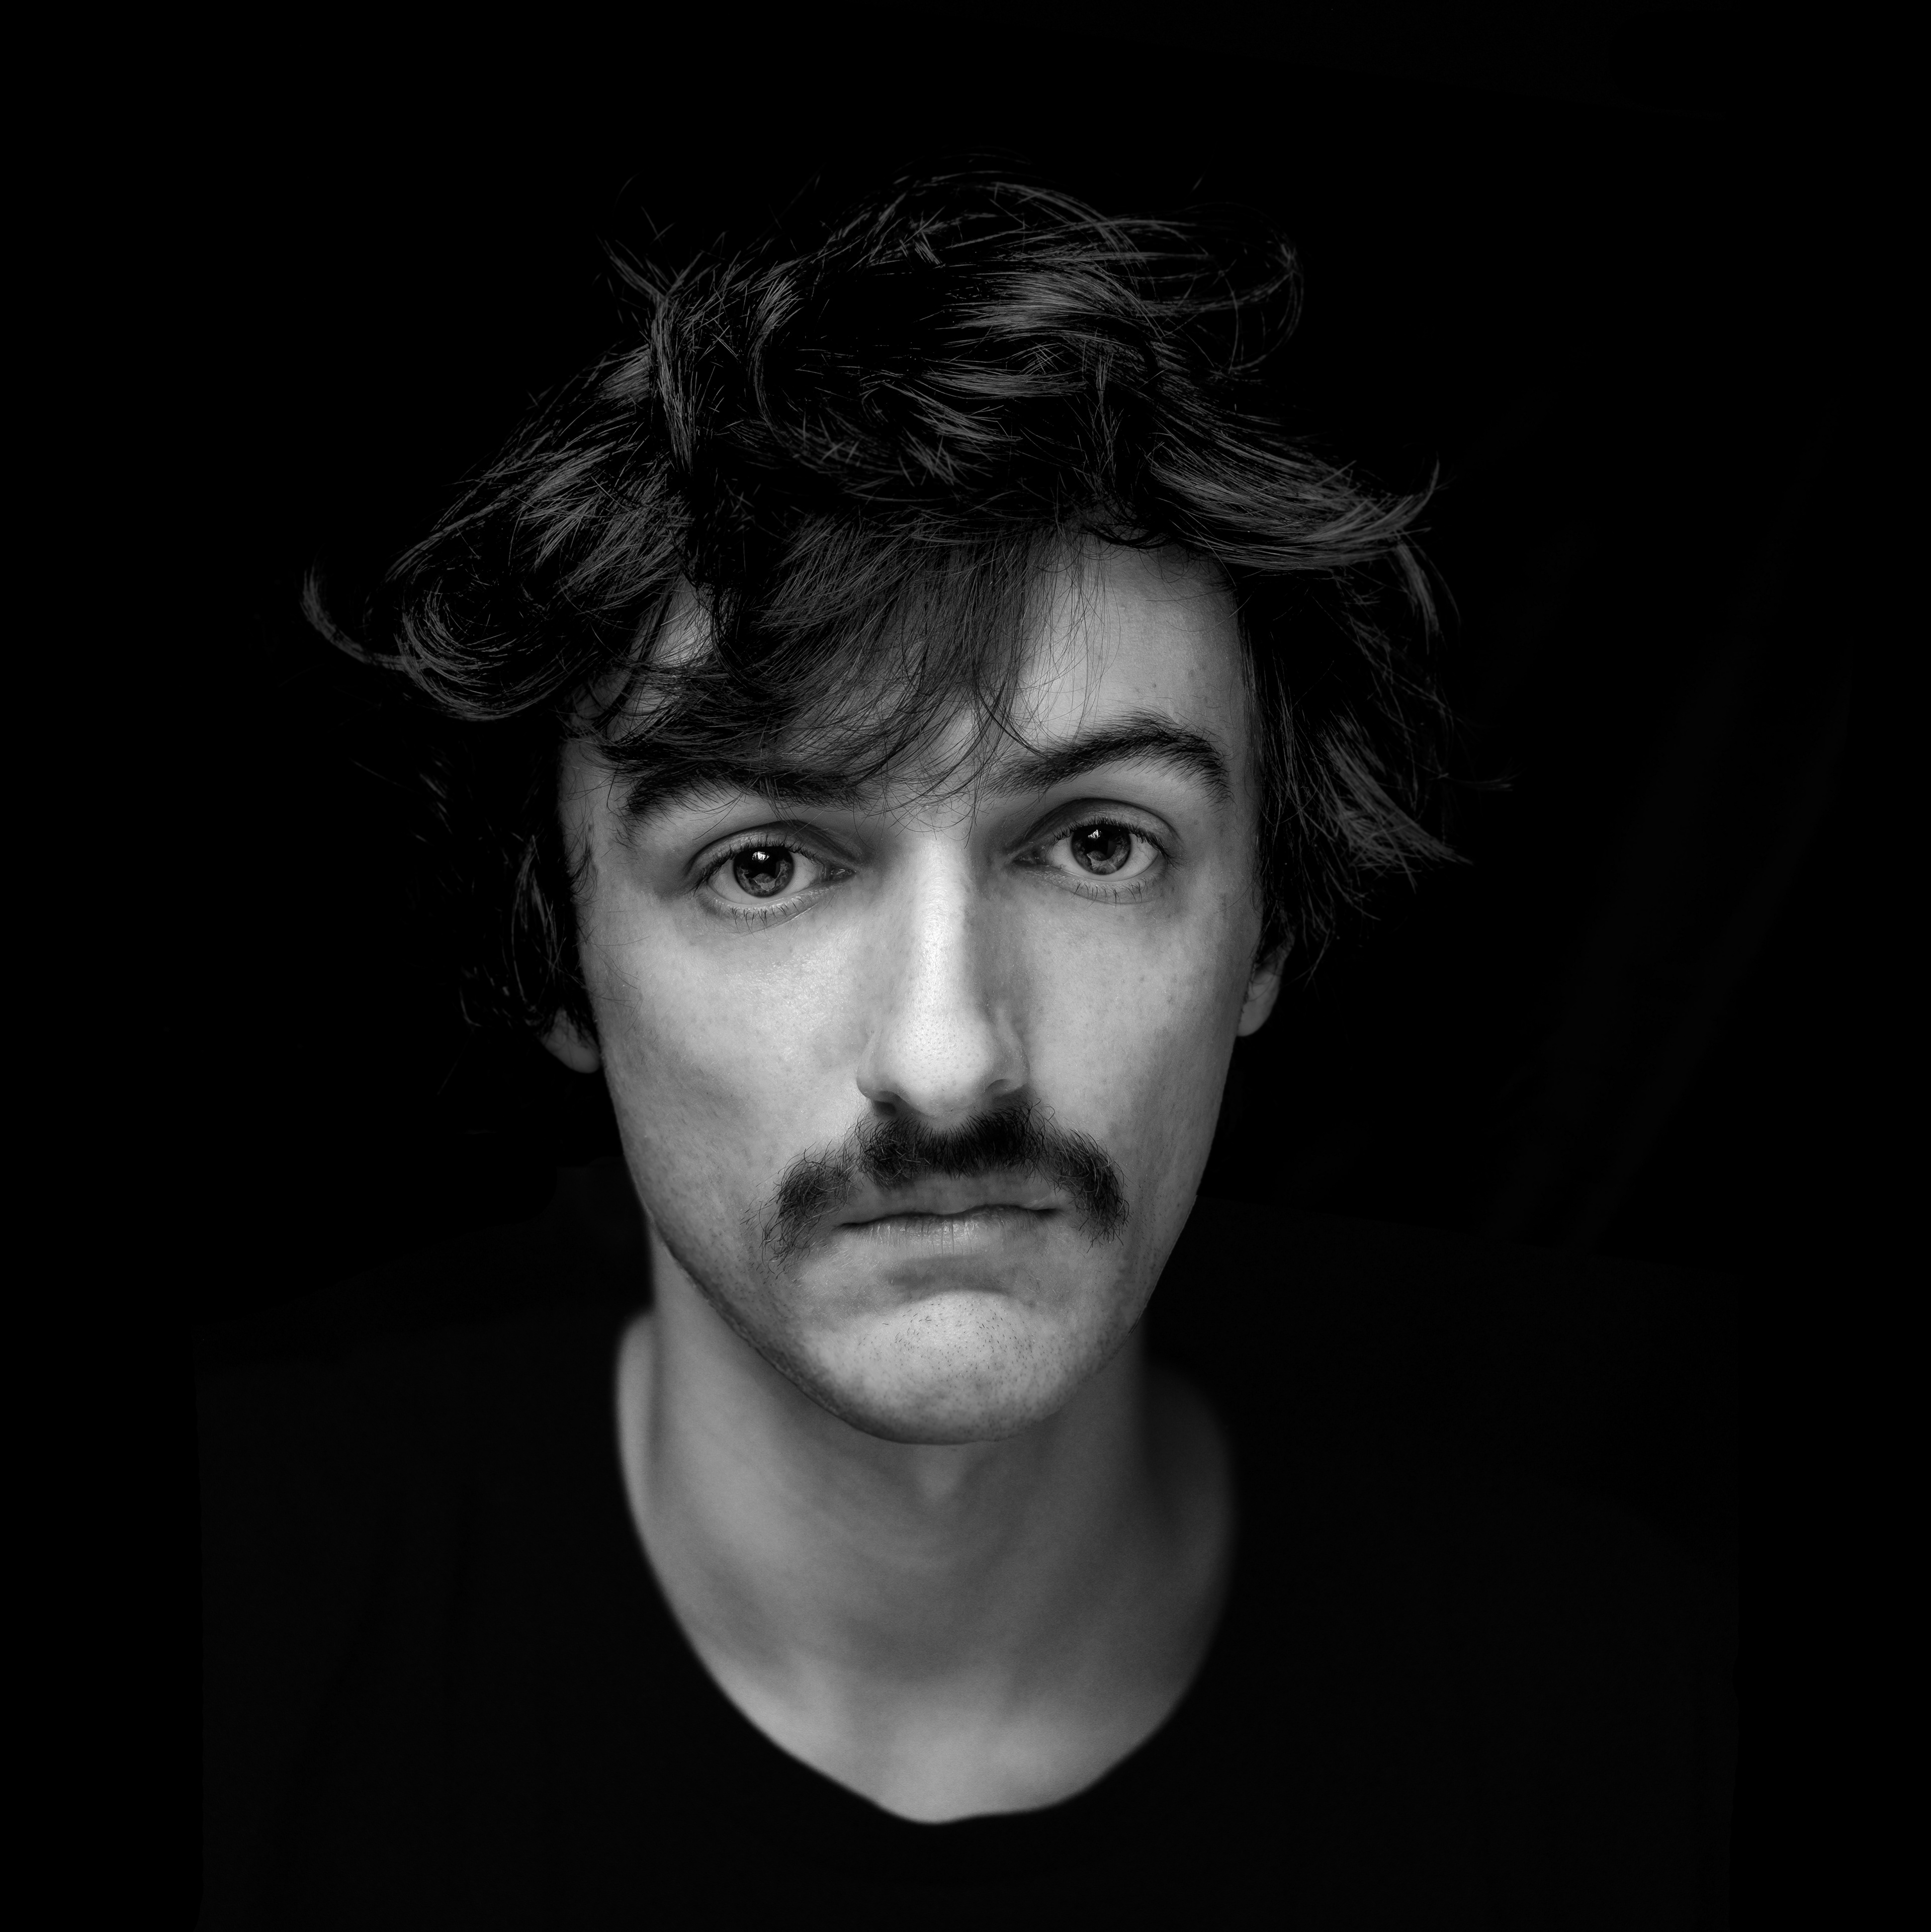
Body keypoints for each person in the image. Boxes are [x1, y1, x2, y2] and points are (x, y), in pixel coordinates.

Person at [198, 174, 1733, 1926]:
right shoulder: (240, 1630)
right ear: (562, 960)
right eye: (765, 865)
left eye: (1097, 842)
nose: (950, 1062)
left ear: (1267, 929)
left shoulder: (1629, 1724)